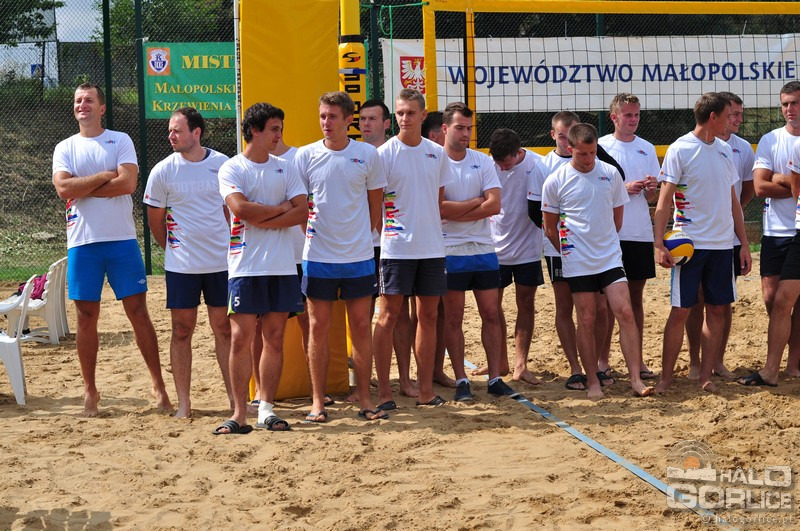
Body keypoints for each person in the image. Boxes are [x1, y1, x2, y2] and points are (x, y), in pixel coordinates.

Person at [52, 82, 172, 417]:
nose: (83, 105)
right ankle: (90, 390)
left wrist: (82, 186)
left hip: (121, 241)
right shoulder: (65, 147)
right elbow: (63, 189)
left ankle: (159, 386)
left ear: (102, 108)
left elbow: (128, 184)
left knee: (138, 313)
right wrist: (104, 176)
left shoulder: (119, 140)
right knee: (86, 317)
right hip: (82, 243)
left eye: (89, 100)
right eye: (78, 100)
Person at [213, 102, 307, 435]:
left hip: (282, 265)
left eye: (280, 129)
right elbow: (240, 209)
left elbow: (302, 212)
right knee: (241, 338)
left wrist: (264, 216)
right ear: (254, 130)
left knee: (275, 338)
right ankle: (240, 412)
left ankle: (266, 408)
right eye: (274, 129)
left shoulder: (287, 167)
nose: (279, 135)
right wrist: (280, 209)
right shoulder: (232, 167)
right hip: (245, 266)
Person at [293, 91, 387, 421]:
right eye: (322, 116)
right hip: (318, 256)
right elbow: (299, 205)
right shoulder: (305, 155)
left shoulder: (366, 155)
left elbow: (375, 205)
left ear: (349, 120)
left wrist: (360, 237)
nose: (326, 122)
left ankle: (365, 399)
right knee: (318, 328)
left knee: (360, 327)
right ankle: (318, 401)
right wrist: (313, 235)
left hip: (358, 257)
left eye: (332, 116)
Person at [541, 123, 653, 400]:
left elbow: (617, 220)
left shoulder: (610, 173)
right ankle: (592, 381)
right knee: (587, 318)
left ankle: (635, 379)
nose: (589, 158)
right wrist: (568, 252)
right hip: (577, 261)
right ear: (570, 149)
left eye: (592, 152)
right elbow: (549, 227)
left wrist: (605, 244)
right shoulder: (556, 180)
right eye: (582, 153)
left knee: (624, 312)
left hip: (609, 257)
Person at [653, 93, 751, 394]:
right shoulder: (680, 149)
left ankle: (705, 377)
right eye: (728, 115)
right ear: (713, 117)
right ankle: (666, 379)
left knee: (717, 310)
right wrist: (658, 244)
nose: (731, 121)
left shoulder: (725, 150)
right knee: (680, 311)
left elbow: (733, 202)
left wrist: (743, 243)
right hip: (690, 245)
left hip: (722, 244)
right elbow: (664, 202)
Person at [143, 107, 233, 418]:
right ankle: (184, 403)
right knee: (182, 330)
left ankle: (235, 401)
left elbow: (230, 212)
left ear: (196, 132)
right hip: (182, 266)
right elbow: (155, 221)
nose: (171, 135)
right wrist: (174, 250)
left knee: (224, 329)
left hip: (221, 263)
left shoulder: (222, 164)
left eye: (177, 130)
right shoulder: (162, 171)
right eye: (170, 130)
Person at [373, 88, 452, 409]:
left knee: (428, 316)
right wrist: (392, 235)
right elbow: (375, 205)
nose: (404, 118)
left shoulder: (437, 153)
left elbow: (437, 201)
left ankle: (424, 391)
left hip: (431, 248)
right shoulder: (384, 154)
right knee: (388, 317)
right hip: (396, 250)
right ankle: (385, 392)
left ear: (423, 115)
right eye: (400, 113)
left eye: (410, 113)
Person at [439, 102, 517, 401]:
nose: (465, 134)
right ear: (445, 128)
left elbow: (494, 205)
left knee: (491, 313)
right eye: (460, 128)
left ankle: (495, 377)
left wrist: (458, 210)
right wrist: (475, 201)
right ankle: (462, 380)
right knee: (453, 318)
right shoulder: (436, 161)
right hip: (450, 249)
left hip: (484, 249)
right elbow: (439, 208)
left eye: (469, 128)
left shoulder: (481, 161)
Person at [529, 111, 606, 391]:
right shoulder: (544, 166)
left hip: (594, 251)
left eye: (571, 134)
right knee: (565, 307)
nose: (566, 140)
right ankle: (575, 369)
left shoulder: (595, 160)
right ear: (554, 135)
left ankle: (597, 366)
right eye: (562, 135)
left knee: (599, 309)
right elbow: (534, 212)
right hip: (560, 249)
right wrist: (563, 240)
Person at [685, 92, 755, 381]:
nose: (736, 119)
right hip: (697, 236)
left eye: (739, 115)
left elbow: (745, 191)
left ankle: (717, 360)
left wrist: (734, 219)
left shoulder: (741, 148)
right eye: (732, 114)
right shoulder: (689, 146)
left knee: (721, 302)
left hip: (728, 237)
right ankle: (695, 361)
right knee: (695, 301)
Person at [597, 93, 659, 381]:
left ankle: (638, 360)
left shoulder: (647, 148)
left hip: (639, 233)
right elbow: (595, 190)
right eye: (628, 115)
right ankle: (602, 360)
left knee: (635, 299)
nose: (633, 120)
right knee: (606, 303)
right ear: (614, 117)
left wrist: (650, 189)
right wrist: (623, 188)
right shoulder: (600, 147)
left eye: (636, 115)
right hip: (610, 234)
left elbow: (652, 198)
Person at [477, 128, 544, 385]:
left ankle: (520, 365)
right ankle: (500, 361)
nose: (503, 168)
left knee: (525, 303)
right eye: (499, 163)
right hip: (494, 248)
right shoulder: (488, 165)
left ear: (518, 152)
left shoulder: (538, 164)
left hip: (527, 248)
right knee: (491, 307)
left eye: (506, 163)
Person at [746, 81, 800, 379]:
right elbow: (759, 188)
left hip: (798, 231)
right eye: (785, 104)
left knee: (790, 300)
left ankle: (791, 364)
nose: (789, 109)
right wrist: (793, 186)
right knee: (771, 298)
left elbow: (771, 184)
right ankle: (787, 354)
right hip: (776, 230)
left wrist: (780, 178)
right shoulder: (771, 139)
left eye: (794, 103)